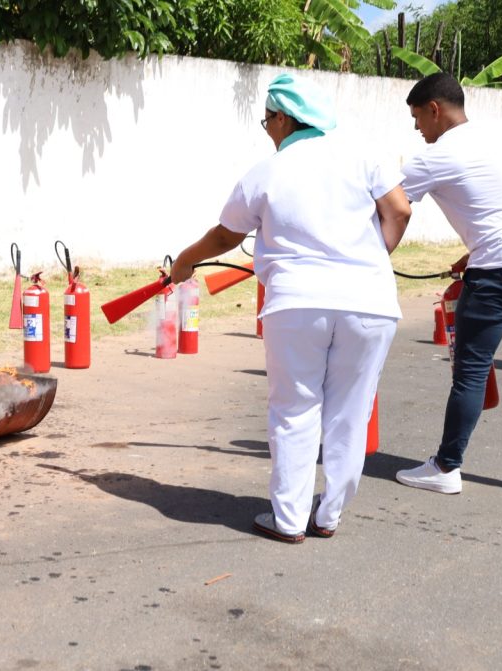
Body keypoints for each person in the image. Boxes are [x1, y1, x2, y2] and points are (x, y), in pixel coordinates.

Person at [171, 73, 411, 543]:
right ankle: (328, 516)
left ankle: (287, 519)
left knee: (295, 409)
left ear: (284, 118)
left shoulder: (268, 171)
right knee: (350, 412)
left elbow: (226, 235)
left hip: (298, 304)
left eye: (266, 121)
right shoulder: (363, 154)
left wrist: (184, 260)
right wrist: (372, 259)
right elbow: (399, 210)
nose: (267, 130)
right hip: (370, 303)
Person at [394, 73, 502, 495]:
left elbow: (394, 208)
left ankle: (446, 468)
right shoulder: (499, 137)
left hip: (500, 272)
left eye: (418, 118)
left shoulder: (432, 157)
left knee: (470, 372)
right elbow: (500, 204)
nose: (418, 129)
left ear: (434, 109)